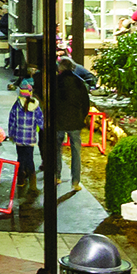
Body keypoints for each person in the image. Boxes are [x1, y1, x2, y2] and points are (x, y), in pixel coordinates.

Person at [46, 56, 92, 192]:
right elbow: (86, 104)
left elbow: (50, 102)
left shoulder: (54, 82)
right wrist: (81, 117)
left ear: (60, 68)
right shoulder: (80, 83)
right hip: (75, 122)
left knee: (56, 149)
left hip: (58, 121)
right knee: (76, 152)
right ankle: (75, 181)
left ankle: (57, 176)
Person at [7, 78, 43, 195]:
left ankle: (20, 181)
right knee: (30, 159)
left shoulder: (16, 106)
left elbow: (11, 121)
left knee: (20, 159)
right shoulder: (35, 105)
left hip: (19, 139)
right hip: (30, 138)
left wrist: (11, 134)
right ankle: (33, 185)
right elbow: (41, 121)